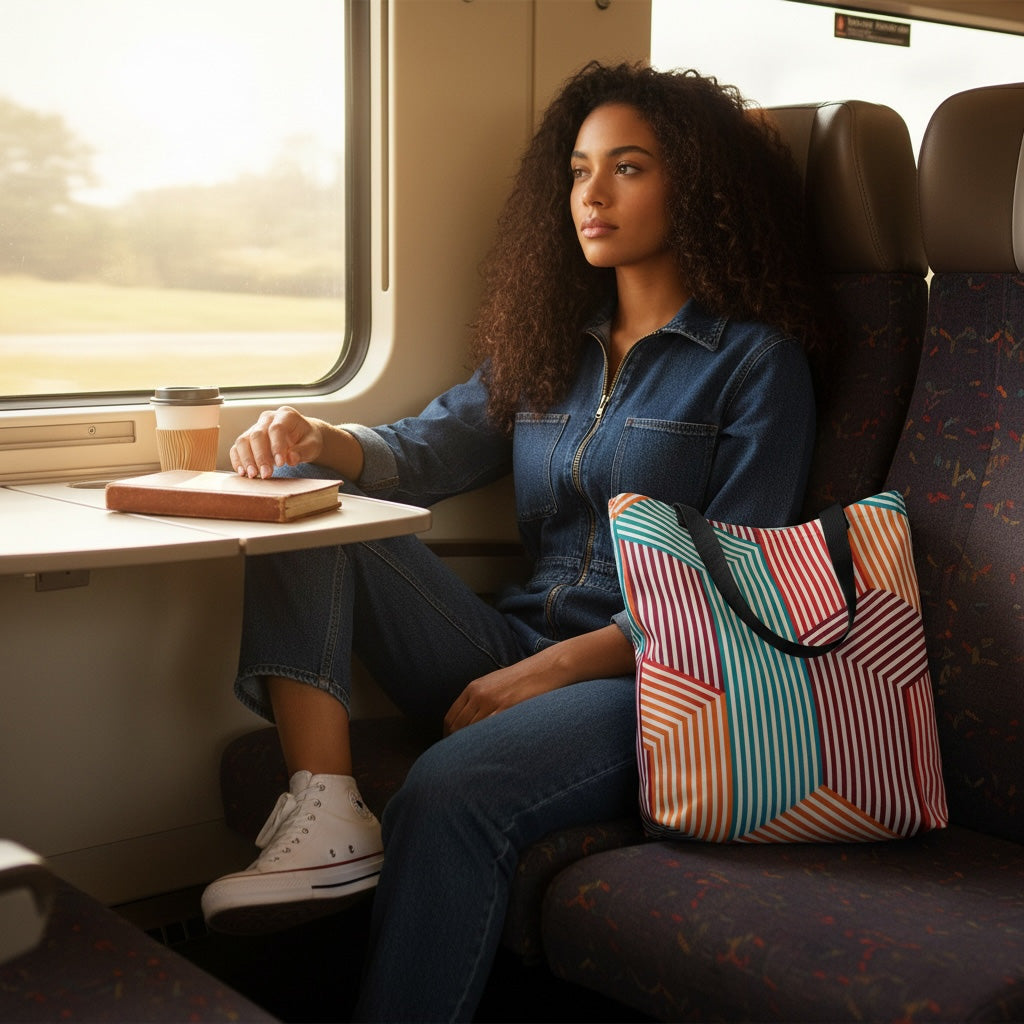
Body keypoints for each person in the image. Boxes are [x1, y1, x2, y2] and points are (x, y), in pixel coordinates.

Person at [201, 61, 829, 1021]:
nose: (593, 195)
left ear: (696, 188)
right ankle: (325, 810)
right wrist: (317, 438)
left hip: (651, 680)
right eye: (578, 172)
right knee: (303, 495)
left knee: (448, 790)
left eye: (629, 168)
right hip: (510, 640)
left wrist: (550, 674)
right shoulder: (552, 344)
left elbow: (731, 590)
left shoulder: (755, 364)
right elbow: (419, 452)